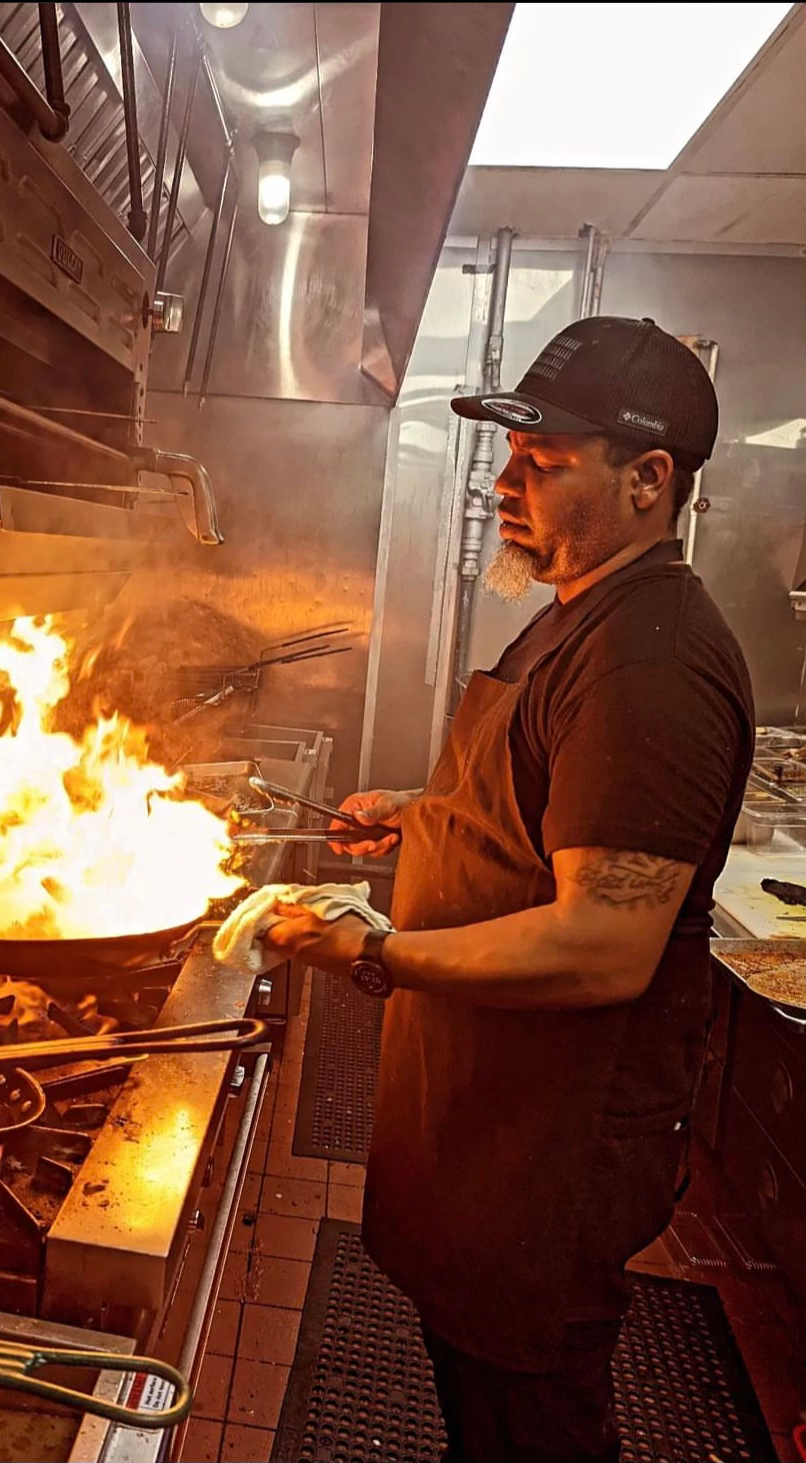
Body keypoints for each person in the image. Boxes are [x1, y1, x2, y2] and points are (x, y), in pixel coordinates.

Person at [264, 316, 755, 1463]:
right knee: (478, 1407)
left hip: (548, 1149)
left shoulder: (654, 659)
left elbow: (602, 943)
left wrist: (375, 950)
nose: (505, 485)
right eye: (509, 459)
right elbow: (537, 814)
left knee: (529, 1428)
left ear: (649, 480)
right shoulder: (579, 615)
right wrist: (420, 813)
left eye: (544, 463)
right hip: (490, 1118)